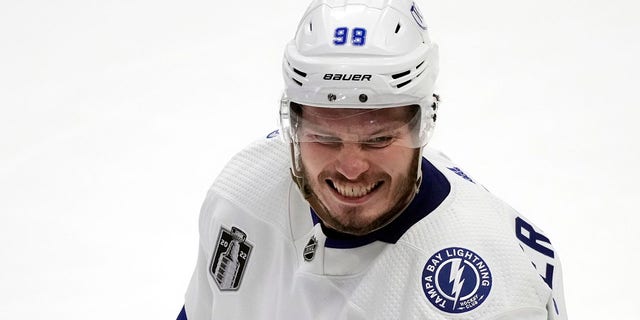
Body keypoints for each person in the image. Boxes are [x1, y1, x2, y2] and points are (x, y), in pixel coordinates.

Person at [177, 0, 567, 319]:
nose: (351, 168)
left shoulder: (493, 296)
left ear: (422, 126)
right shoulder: (243, 189)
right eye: (324, 138)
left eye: (378, 139)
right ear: (293, 127)